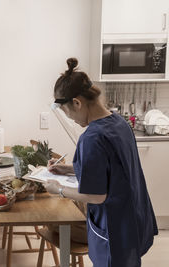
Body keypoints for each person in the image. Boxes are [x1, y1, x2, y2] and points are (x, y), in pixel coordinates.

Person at [45, 58, 158, 267]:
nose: (71, 119)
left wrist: (58, 189)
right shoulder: (119, 123)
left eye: (67, 113)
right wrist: (69, 169)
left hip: (114, 227)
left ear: (77, 103)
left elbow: (96, 196)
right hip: (133, 217)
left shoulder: (92, 138)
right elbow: (112, 170)